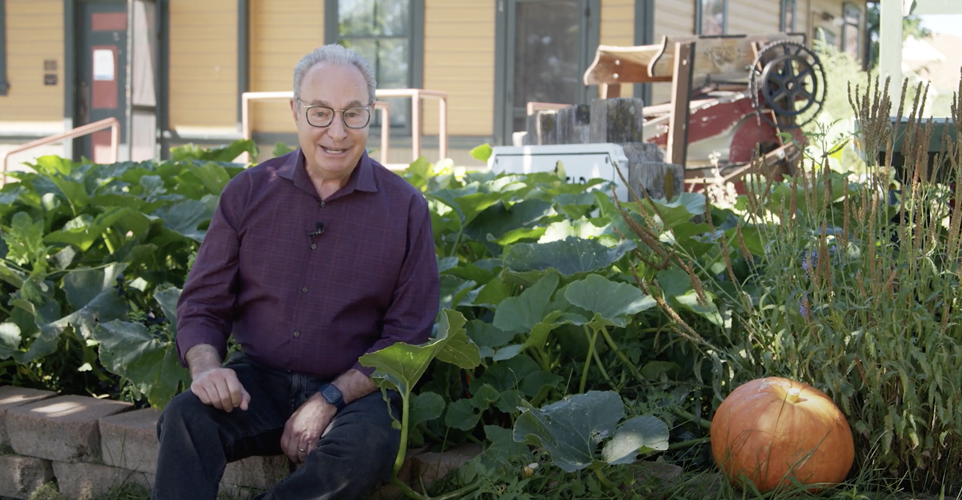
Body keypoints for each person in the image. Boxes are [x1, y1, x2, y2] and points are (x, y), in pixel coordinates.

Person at [152, 44, 440, 500]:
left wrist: (329, 399)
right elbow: (204, 302)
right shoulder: (248, 192)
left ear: (372, 115)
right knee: (186, 418)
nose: (337, 132)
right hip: (258, 382)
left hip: (356, 391)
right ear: (295, 112)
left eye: (353, 114)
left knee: (365, 449)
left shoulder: (405, 208)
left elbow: (407, 336)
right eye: (320, 113)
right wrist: (206, 368)